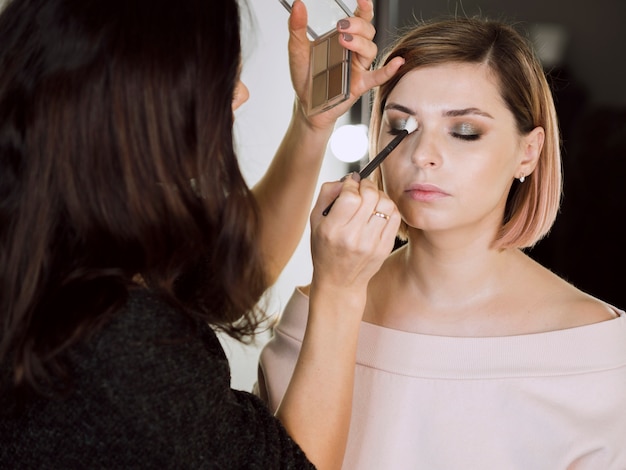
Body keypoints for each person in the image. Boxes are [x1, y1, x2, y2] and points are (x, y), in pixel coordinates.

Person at [0, 0, 404, 468]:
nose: (239, 94)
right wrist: (339, 290)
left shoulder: (51, 229)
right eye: (219, 79)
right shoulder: (124, 350)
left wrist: (311, 125)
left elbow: (227, 281)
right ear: (144, 99)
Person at [257, 15, 626, 469]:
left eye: (464, 131)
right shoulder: (316, 313)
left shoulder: (591, 350)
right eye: (400, 127)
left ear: (528, 152)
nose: (422, 156)